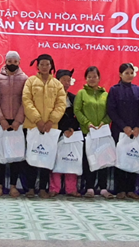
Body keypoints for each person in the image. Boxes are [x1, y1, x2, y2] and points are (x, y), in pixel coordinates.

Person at [22, 54, 66, 198]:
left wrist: (51, 121)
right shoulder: (30, 81)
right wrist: (37, 120)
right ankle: (30, 188)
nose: (44, 67)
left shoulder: (57, 84)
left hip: (50, 128)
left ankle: (42, 188)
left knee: (46, 157)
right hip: (33, 126)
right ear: (38, 66)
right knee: (31, 157)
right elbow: (27, 101)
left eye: (47, 64)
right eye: (42, 64)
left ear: (51, 66)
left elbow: (61, 104)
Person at [107, 63, 139, 200]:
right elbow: (111, 110)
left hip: (135, 132)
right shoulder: (114, 90)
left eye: (131, 73)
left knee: (133, 157)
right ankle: (120, 189)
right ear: (120, 74)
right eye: (126, 73)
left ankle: (131, 189)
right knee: (120, 159)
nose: (129, 75)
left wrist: (138, 127)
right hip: (120, 130)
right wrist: (124, 127)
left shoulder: (138, 90)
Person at [0, 51, 27, 197]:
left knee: (16, 155)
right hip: (2, 122)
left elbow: (25, 101)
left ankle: (13, 186)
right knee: (0, 155)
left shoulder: (25, 79)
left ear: (19, 62)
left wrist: (18, 120)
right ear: (5, 61)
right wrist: (1, 119)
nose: (12, 64)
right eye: (10, 61)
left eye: (15, 62)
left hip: (18, 123)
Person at [74, 66, 113, 199]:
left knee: (104, 159)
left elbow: (110, 111)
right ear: (85, 78)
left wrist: (104, 122)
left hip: (102, 133)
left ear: (99, 78)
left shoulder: (105, 94)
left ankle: (103, 188)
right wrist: (87, 123)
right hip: (88, 132)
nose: (92, 79)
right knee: (88, 160)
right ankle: (89, 187)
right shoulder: (81, 93)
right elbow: (77, 110)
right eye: (89, 77)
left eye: (94, 76)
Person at [49, 69, 81, 197]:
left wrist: (72, 128)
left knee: (71, 159)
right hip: (55, 131)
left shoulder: (73, 98)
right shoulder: (51, 97)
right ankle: (54, 188)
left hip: (70, 133)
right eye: (64, 80)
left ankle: (71, 188)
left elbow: (77, 115)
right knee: (55, 160)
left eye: (69, 80)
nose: (67, 83)